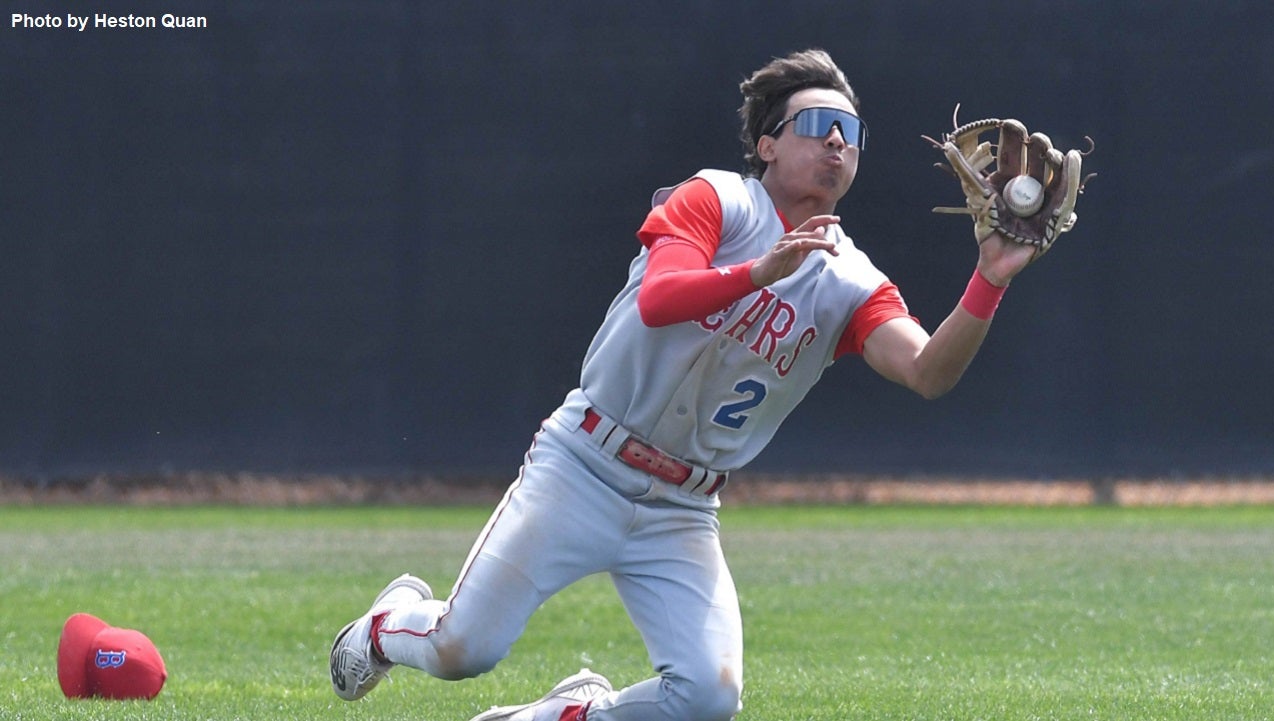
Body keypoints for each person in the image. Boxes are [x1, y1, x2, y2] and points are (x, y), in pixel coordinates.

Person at [330, 48, 1039, 721]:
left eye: (850, 132)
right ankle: (388, 623)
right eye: (818, 125)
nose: (836, 143)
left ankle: (571, 709)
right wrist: (757, 272)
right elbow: (659, 298)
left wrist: (990, 278)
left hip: (682, 506)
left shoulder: (849, 279)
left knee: (707, 696)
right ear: (766, 144)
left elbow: (926, 371)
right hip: (583, 465)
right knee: (464, 650)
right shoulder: (717, 200)